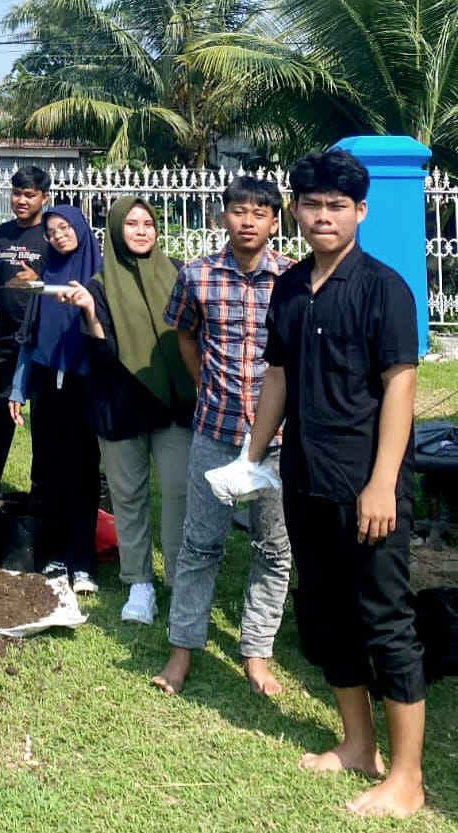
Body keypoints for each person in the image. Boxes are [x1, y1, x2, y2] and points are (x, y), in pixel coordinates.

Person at [245, 150, 425, 818]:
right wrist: (252, 455)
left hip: (366, 483)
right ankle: (357, 745)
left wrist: (382, 482)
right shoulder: (290, 286)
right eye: (313, 204)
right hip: (305, 477)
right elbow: (279, 377)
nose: (324, 216)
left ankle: (406, 778)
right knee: (326, 611)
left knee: (386, 619)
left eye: (337, 206)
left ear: (360, 212)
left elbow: (399, 388)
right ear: (296, 209)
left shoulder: (385, 289)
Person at [152, 177, 294, 696]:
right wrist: (201, 382)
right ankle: (182, 650)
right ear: (223, 218)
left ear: (276, 221)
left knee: (274, 548)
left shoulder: (294, 279)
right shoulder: (198, 275)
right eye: (239, 211)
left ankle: (257, 652)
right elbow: (184, 333)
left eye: (260, 212)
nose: (249, 220)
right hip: (215, 430)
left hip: (278, 440)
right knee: (200, 543)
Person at [68, 196, 196, 624]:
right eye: (132, 224)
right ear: (117, 230)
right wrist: (89, 312)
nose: (142, 231)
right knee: (128, 496)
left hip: (174, 403)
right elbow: (106, 353)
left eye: (148, 223)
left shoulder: (178, 273)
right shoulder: (100, 284)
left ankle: (180, 578)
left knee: (179, 490)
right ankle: (139, 581)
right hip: (120, 403)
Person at [8, 205, 101, 592]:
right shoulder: (45, 278)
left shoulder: (100, 278)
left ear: (80, 228)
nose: (59, 235)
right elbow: (30, 336)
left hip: (86, 383)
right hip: (48, 382)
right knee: (48, 469)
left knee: (83, 471)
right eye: (52, 231)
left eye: (65, 227)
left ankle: (83, 561)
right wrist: (18, 387)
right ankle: (55, 555)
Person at [0, 166, 50, 491]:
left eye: (29, 194)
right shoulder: (2, 234)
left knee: (45, 419)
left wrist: (37, 281)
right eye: (17, 193)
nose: (21, 200)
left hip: (44, 339)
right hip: (7, 339)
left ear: (44, 198)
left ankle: (41, 488)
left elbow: (66, 284)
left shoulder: (53, 234)